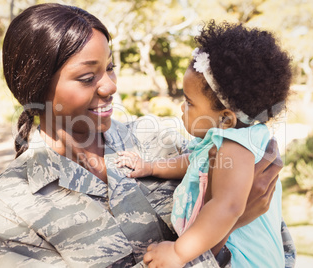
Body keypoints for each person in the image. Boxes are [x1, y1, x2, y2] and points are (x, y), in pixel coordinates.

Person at [0, 3, 295, 267]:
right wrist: (226, 230)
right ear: (36, 87)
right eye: (88, 77)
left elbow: (278, 247)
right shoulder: (10, 205)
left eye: (111, 67)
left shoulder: (163, 139)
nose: (111, 86)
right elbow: (236, 212)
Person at [116, 21, 292, 267]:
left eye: (189, 102)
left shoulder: (235, 146)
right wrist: (152, 167)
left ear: (225, 118)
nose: (181, 107)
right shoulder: (227, 140)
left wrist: (179, 252)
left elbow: (228, 206)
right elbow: (194, 162)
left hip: (244, 261)